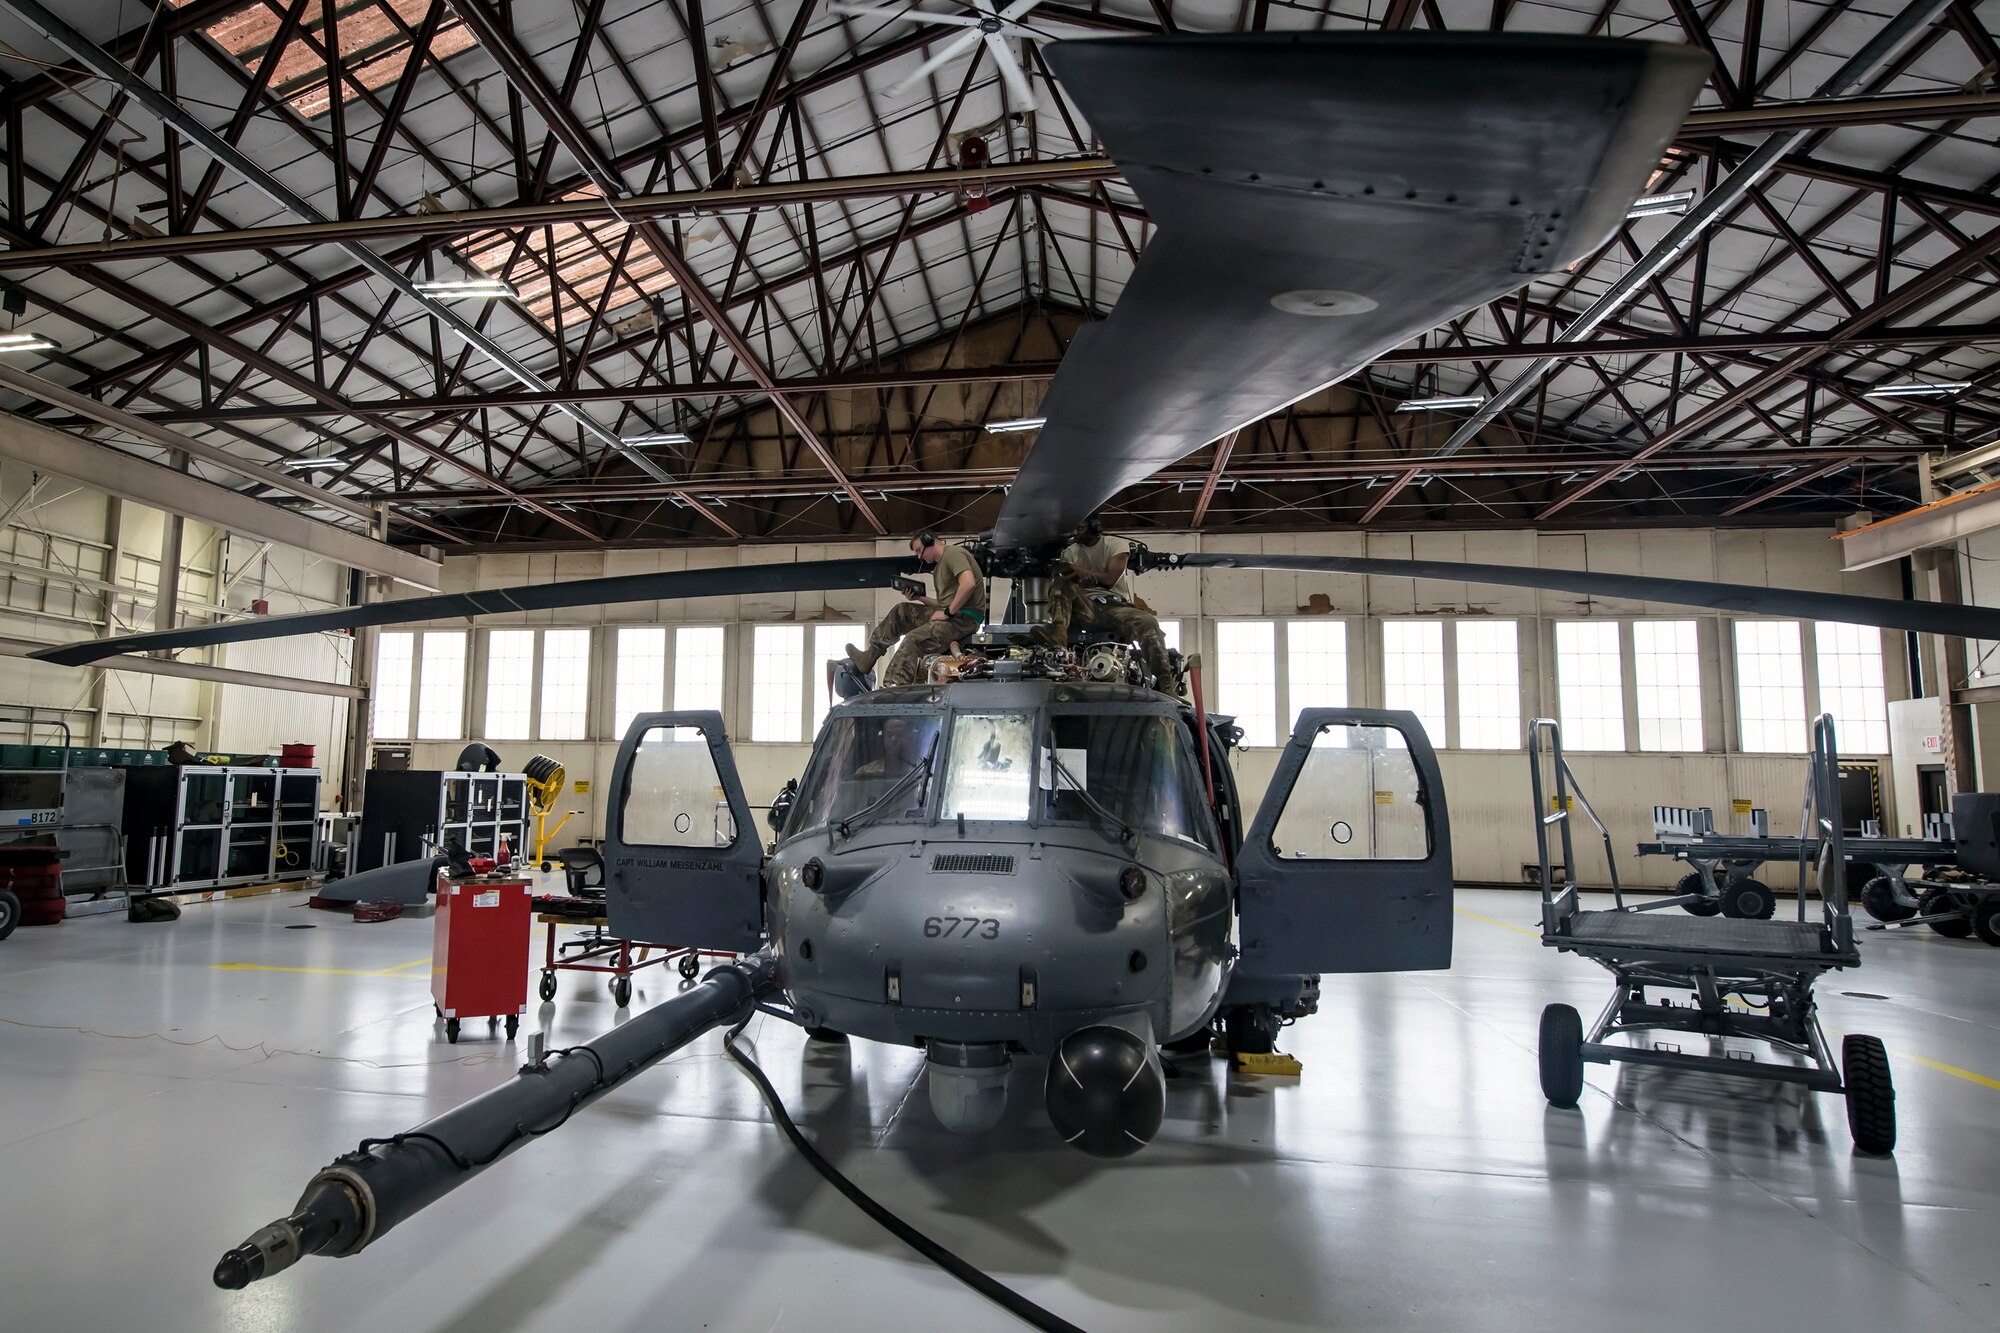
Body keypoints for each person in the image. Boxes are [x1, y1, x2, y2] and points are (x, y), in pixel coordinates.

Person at [1033, 515, 1175, 691]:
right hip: (1084, 607)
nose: (1075, 533)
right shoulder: (1071, 551)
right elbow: (1063, 573)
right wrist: (1066, 571)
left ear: (1095, 526)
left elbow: (1109, 579)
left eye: (1080, 528)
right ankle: (1059, 634)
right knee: (1062, 582)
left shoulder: (1115, 545)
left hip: (1113, 608)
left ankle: (1166, 685)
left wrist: (1081, 571)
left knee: (1147, 622)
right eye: (1074, 529)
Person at [847, 531, 987, 687]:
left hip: (964, 619)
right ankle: (870, 655)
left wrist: (948, 613)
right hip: (955, 615)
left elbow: (968, 584)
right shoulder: (940, 567)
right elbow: (943, 604)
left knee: (914, 640)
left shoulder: (953, 554)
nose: (919, 556)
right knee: (902, 612)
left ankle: (893, 688)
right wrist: (919, 598)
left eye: (919, 550)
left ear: (930, 541)